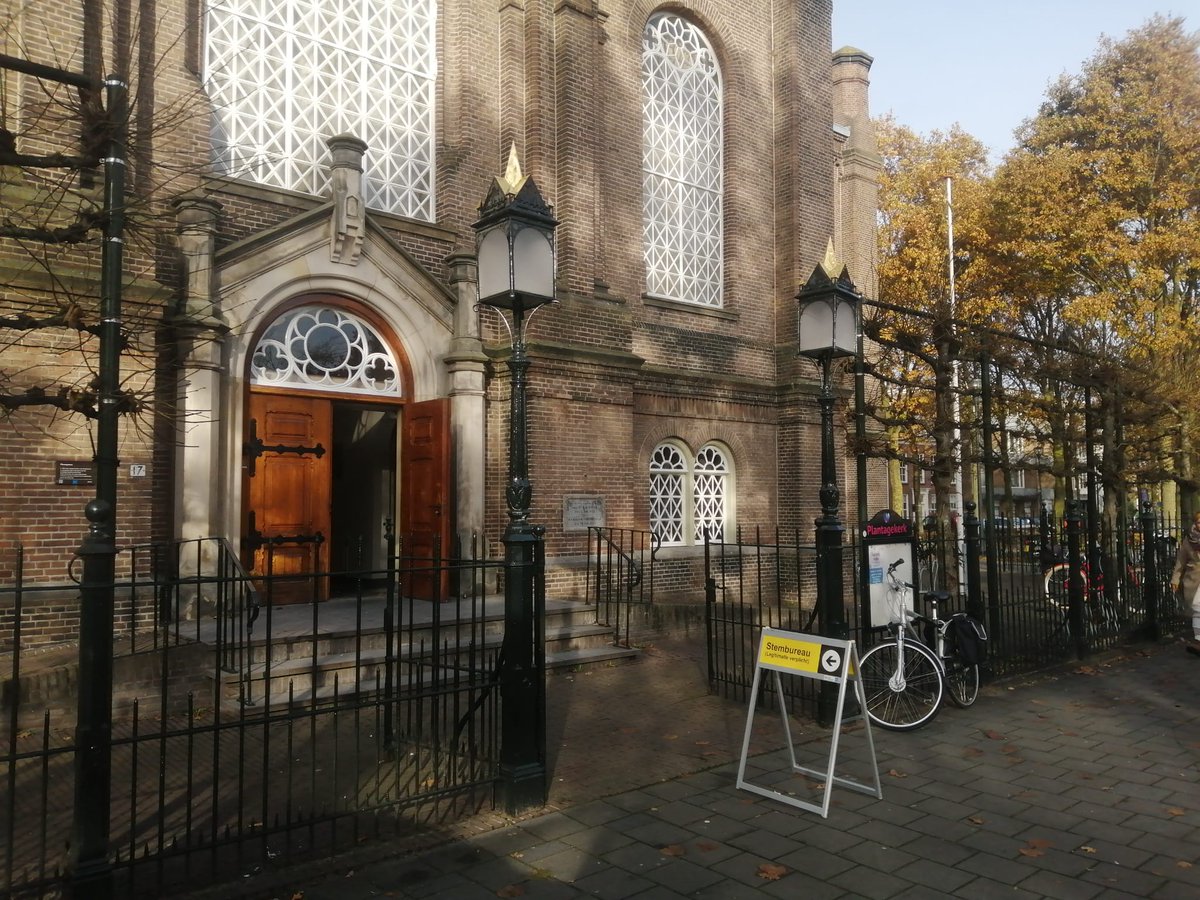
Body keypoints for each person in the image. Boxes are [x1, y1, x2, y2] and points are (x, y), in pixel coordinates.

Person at [1170, 511, 1200, 655]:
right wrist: (1175, 579)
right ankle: (1198, 641)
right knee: (1197, 610)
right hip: (1194, 579)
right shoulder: (1189, 540)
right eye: (1199, 521)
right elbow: (1181, 560)